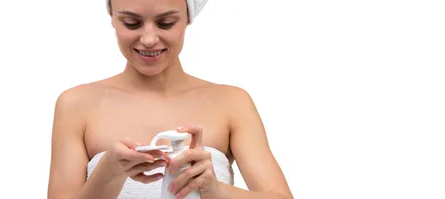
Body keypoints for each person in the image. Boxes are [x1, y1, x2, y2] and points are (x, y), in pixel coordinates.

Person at [47, 0, 293, 198]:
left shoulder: (232, 102)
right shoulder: (76, 105)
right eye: (131, 23)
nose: (149, 39)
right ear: (111, 15)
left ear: (188, 17)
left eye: (165, 23)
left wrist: (215, 191)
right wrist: (110, 171)